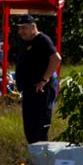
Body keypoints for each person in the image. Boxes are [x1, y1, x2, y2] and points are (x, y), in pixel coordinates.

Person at [12, 14, 61, 144]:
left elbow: (56, 59)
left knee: (39, 128)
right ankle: (35, 158)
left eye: (24, 28)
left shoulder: (42, 40)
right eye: (19, 28)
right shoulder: (25, 42)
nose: (21, 31)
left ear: (33, 27)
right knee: (29, 128)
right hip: (29, 91)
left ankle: (43, 160)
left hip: (41, 91)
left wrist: (44, 80)